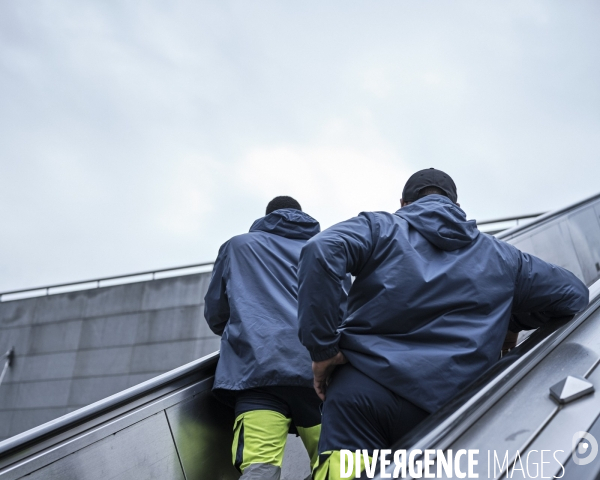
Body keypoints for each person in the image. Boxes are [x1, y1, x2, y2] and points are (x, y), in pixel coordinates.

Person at [297, 168, 589, 479]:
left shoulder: (379, 227)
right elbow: (573, 294)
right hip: (449, 412)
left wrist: (323, 349)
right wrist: (511, 320)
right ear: (456, 205)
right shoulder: (503, 256)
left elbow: (321, 249)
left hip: (361, 396)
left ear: (403, 202)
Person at [205, 195, 322, 480]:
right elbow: (343, 310)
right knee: (336, 464)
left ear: (267, 216)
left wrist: (248, 330)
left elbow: (216, 314)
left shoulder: (238, 246)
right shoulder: (324, 249)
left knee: (259, 466)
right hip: (319, 377)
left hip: (256, 376)